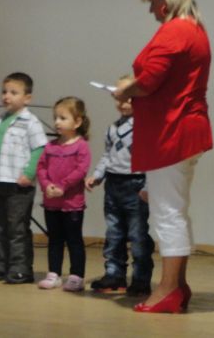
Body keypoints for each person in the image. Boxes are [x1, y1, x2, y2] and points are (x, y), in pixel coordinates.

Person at [112, 0, 212, 314]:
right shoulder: (196, 30)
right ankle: (177, 286)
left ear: (166, 2)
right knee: (174, 209)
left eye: (153, 3)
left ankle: (168, 289)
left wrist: (124, 90)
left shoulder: (175, 31)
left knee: (167, 213)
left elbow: (149, 81)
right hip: (184, 129)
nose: (152, 10)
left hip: (171, 132)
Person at [85, 76, 155, 296]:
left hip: (136, 184)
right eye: (120, 98)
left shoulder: (146, 126)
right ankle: (114, 275)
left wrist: (148, 186)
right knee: (114, 233)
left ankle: (141, 279)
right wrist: (97, 175)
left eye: (130, 98)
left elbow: (152, 159)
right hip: (113, 184)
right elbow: (108, 155)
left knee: (137, 235)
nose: (123, 103)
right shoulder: (113, 128)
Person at [0, 72, 48, 284]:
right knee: (2, 226)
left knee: (17, 228)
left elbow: (39, 149)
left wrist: (29, 173)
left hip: (19, 184)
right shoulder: (0, 120)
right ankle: (1, 264)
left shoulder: (31, 122)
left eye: (13, 92)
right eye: (4, 91)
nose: (7, 96)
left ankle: (21, 268)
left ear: (27, 98)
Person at [36, 96, 92, 292]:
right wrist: (46, 185)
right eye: (56, 118)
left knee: (74, 240)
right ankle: (54, 274)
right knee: (54, 239)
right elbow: (41, 167)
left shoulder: (81, 146)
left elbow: (81, 170)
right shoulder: (50, 146)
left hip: (72, 204)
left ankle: (76, 276)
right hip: (52, 203)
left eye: (62, 118)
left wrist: (63, 186)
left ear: (77, 122)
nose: (57, 122)